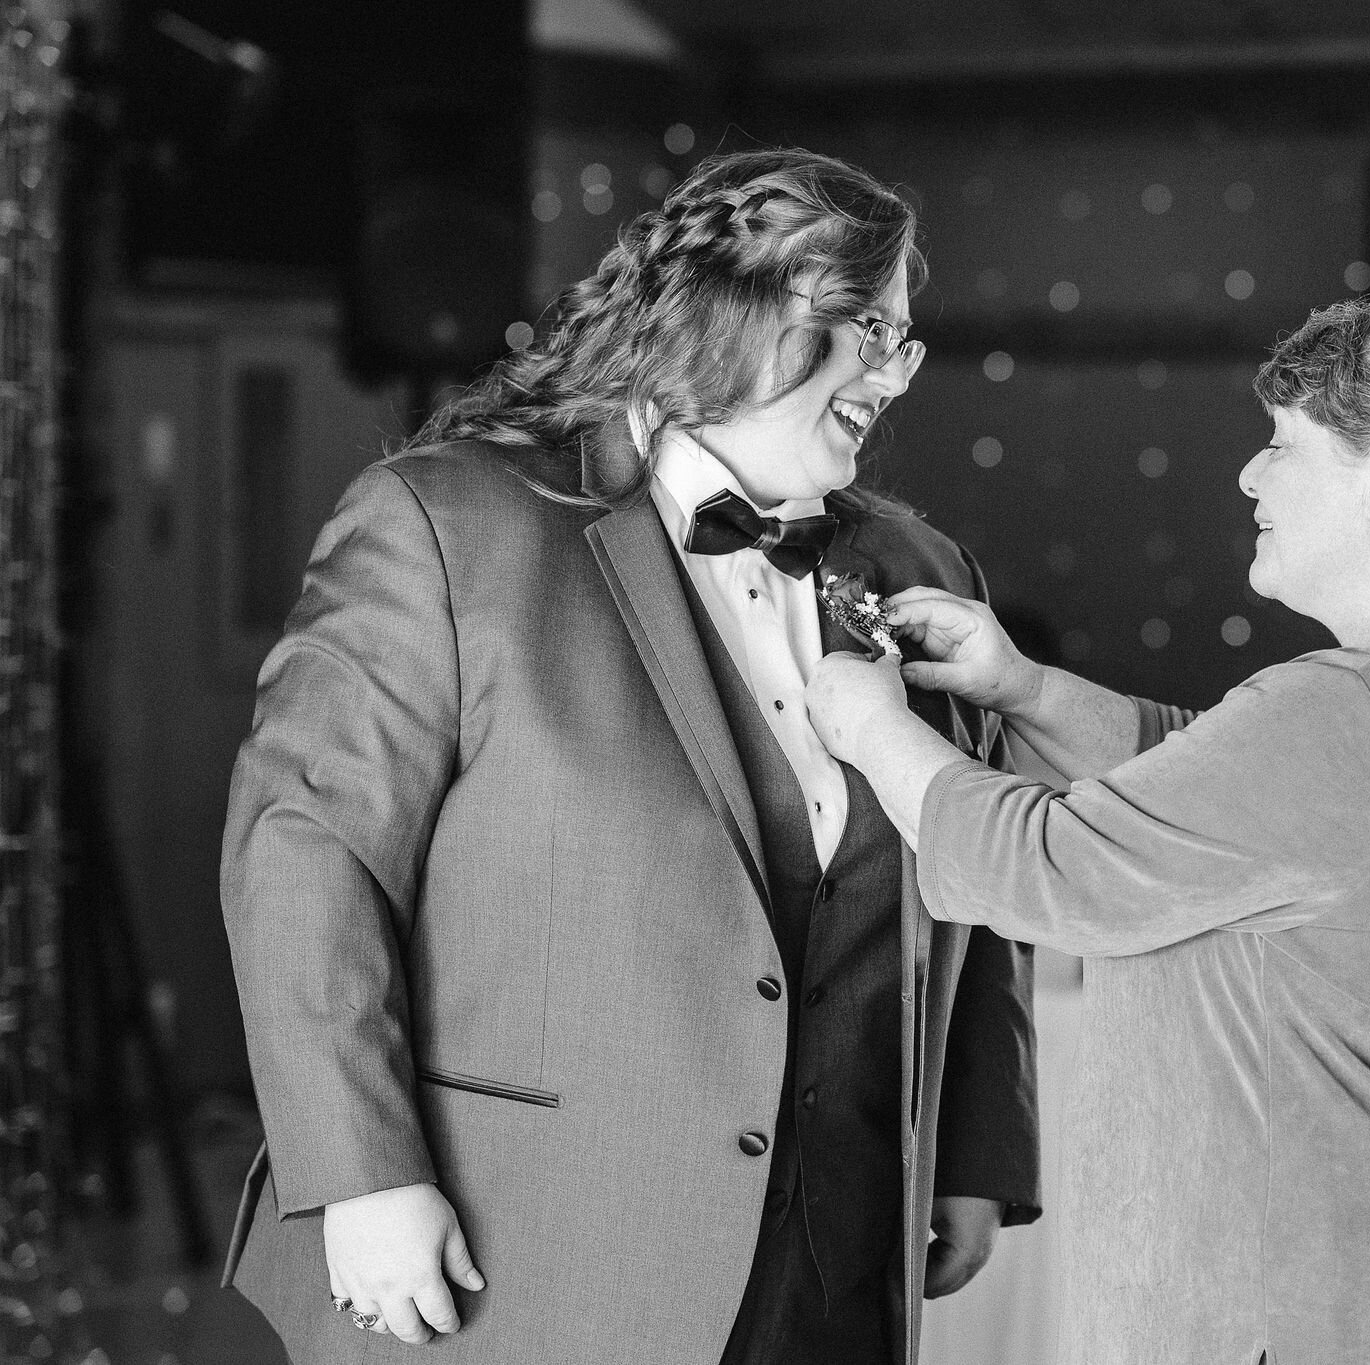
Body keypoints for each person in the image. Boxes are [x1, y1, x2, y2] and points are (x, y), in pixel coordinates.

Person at [219, 147, 1038, 1365]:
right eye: (866, 326)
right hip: (523, 1255)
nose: (893, 373)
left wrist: (972, 1147)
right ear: (730, 308)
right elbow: (306, 854)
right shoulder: (448, 524)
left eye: (904, 341)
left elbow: (972, 864)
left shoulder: (925, 573)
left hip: (839, 1263)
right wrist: (360, 1176)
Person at [806, 297, 1370, 1364]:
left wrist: (874, 731)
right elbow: (1226, 792)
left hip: (1348, 1311)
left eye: (1280, 445)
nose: (1248, 477)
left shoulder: (1354, 712)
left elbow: (1040, 869)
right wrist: (1023, 691)